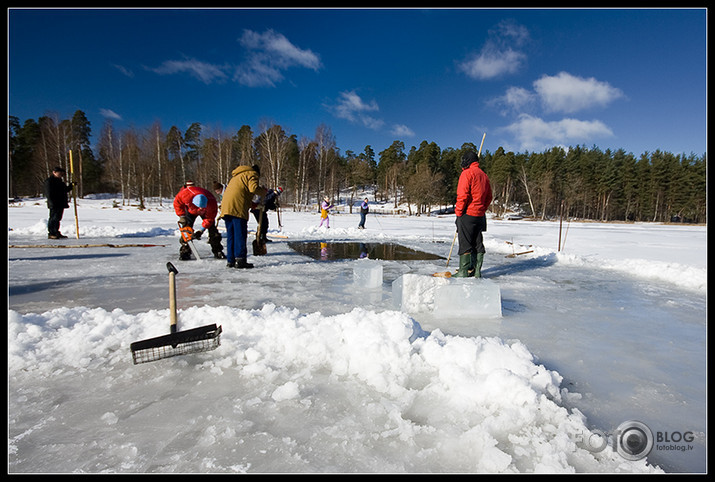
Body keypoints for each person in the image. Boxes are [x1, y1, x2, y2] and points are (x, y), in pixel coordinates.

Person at [454, 150, 493, 277]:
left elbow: (462, 195)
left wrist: (459, 212)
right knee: (477, 242)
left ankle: (463, 272)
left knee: (465, 242)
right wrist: (482, 209)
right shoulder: (484, 175)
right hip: (480, 216)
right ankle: (476, 271)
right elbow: (489, 197)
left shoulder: (467, 174)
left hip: (468, 214)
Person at [220, 165, 267, 269]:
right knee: (240, 234)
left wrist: (253, 204)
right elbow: (253, 188)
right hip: (237, 209)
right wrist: (264, 192)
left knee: (231, 235)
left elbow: (240, 194)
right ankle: (240, 259)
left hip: (226, 207)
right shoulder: (252, 174)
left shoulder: (237, 176)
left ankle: (231, 260)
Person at [173, 181, 225, 260]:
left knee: (213, 230)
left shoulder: (211, 203)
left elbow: (209, 219)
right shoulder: (185, 195)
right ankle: (185, 250)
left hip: (207, 211)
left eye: (202, 208)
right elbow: (177, 203)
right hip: (190, 211)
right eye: (199, 208)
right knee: (186, 229)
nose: (200, 210)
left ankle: (217, 250)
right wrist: (182, 216)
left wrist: (201, 230)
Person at [44, 166, 74, 239]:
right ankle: (51, 233)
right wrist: (52, 202)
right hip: (54, 203)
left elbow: (64, 190)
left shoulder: (60, 181)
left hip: (60, 203)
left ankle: (56, 232)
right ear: (54, 172)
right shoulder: (49, 181)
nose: (61, 174)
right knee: (53, 218)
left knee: (58, 218)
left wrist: (71, 186)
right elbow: (48, 193)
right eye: (59, 173)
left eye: (62, 173)